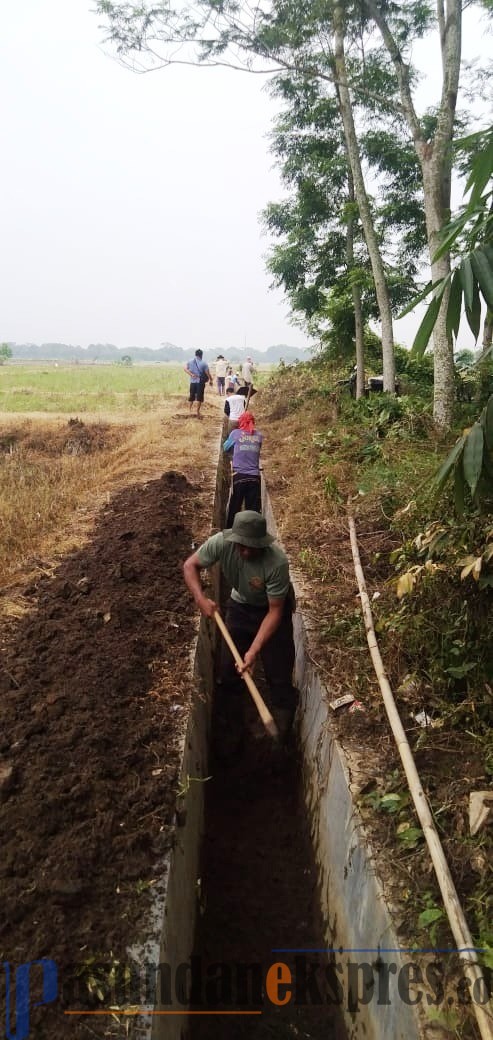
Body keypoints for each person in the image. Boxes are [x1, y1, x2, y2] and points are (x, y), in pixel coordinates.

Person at [183, 511, 298, 754]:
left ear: (262, 544)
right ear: (234, 540)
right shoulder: (221, 543)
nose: (245, 552)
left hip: (270, 610)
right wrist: (200, 598)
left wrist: (254, 650)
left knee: (279, 677)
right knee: (228, 674)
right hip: (240, 606)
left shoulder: (276, 563)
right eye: (241, 546)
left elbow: (274, 612)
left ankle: (278, 743)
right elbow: (190, 565)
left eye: (251, 548)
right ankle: (232, 733)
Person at [223, 410, 262, 525]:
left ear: (240, 422)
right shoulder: (259, 436)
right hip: (254, 477)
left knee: (234, 508)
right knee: (253, 511)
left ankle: (230, 531)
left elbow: (225, 448)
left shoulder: (235, 433)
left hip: (238, 476)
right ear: (253, 422)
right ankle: (252, 535)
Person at [184, 349, 213, 418]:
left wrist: (191, 374)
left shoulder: (190, 361)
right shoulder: (204, 363)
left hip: (192, 382)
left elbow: (185, 369)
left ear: (195, 354)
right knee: (199, 397)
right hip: (200, 382)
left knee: (192, 396)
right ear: (201, 355)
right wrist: (211, 380)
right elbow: (208, 373)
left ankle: (189, 410)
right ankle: (197, 411)